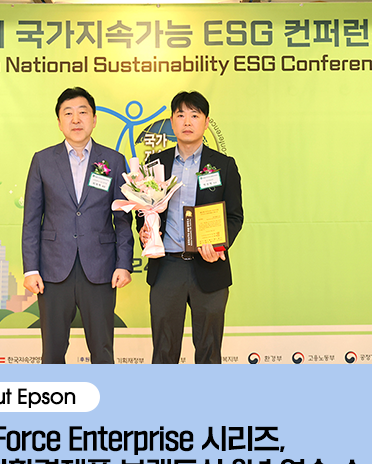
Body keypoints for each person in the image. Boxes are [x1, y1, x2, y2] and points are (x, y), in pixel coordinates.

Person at [22, 87, 134, 364]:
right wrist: (31, 269)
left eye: (82, 112)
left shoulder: (114, 160)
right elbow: (32, 220)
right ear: (59, 122)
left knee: (103, 350)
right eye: (68, 113)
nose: (76, 120)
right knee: (52, 352)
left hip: (100, 268)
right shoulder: (42, 160)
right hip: (53, 269)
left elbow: (122, 218)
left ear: (94, 119)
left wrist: (124, 264)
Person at [137, 91, 243, 364]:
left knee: (209, 352)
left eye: (195, 115)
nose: (187, 121)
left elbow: (234, 216)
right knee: (164, 351)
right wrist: (144, 231)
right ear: (172, 122)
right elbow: (142, 209)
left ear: (206, 122)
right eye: (181, 115)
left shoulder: (223, 165)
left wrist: (218, 244)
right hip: (167, 267)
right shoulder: (155, 164)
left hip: (209, 267)